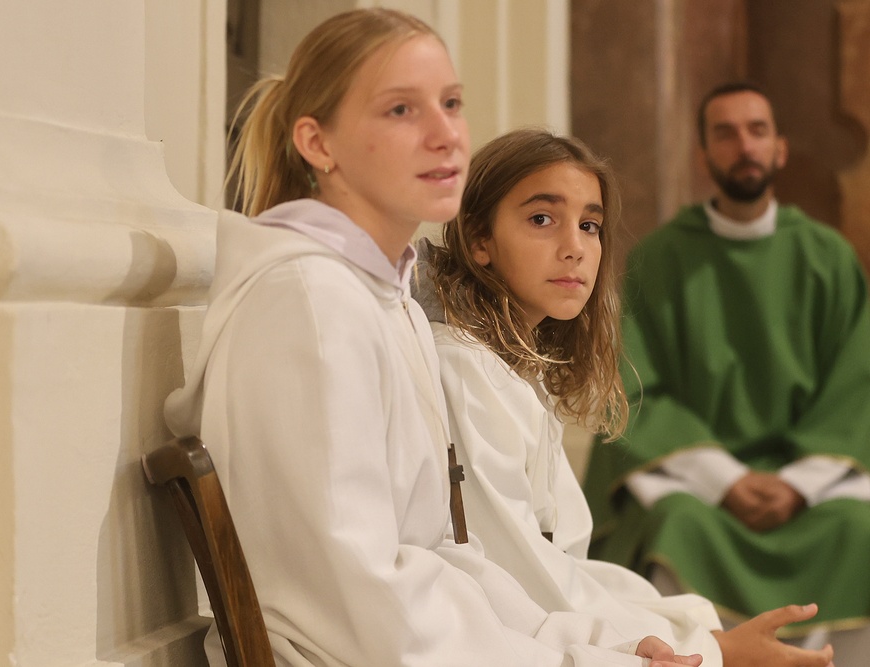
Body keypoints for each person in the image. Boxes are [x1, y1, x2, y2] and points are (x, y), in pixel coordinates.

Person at [163, 8, 702, 667]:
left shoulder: (391, 302)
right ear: (318, 144)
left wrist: (588, 643)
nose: (446, 135)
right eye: (401, 110)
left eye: (451, 104)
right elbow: (362, 607)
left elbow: (444, 559)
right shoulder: (312, 305)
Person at [416, 126, 836, 667]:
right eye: (542, 219)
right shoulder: (467, 367)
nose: (574, 248)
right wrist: (709, 647)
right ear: (479, 240)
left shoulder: (516, 369)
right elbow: (517, 570)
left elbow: (563, 560)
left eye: (589, 225)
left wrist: (694, 629)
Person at [583, 81, 870, 659]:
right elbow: (633, 388)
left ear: (780, 149)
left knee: (858, 530)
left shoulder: (827, 257)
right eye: (726, 133)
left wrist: (797, 484)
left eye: (757, 131)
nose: (744, 146)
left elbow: (856, 386)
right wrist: (725, 480)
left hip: (810, 486)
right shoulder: (659, 259)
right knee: (675, 526)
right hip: (701, 489)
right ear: (703, 155)